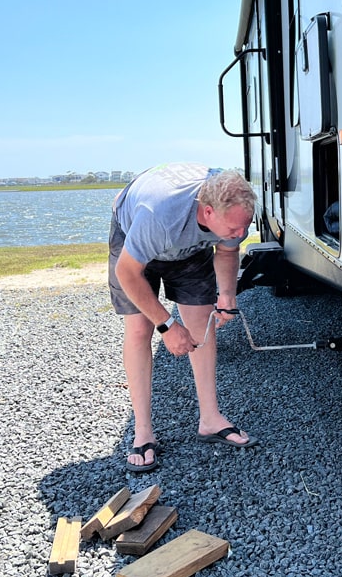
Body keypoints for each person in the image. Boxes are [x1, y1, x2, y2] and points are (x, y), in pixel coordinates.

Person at [108, 162, 259, 472]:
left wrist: (227, 294)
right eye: (234, 229)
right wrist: (166, 325)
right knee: (139, 329)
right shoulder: (160, 215)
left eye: (245, 226)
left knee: (202, 324)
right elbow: (127, 272)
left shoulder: (232, 212)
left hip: (189, 249)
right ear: (207, 213)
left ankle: (210, 419)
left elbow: (228, 251)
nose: (240, 234)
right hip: (135, 248)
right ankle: (143, 431)